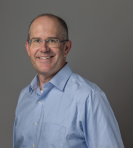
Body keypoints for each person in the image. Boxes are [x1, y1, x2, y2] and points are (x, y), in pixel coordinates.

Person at [13, 14, 124, 148]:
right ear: (28, 48)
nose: (43, 48)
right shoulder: (24, 97)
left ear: (66, 48)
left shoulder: (89, 98)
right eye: (36, 40)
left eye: (52, 40)